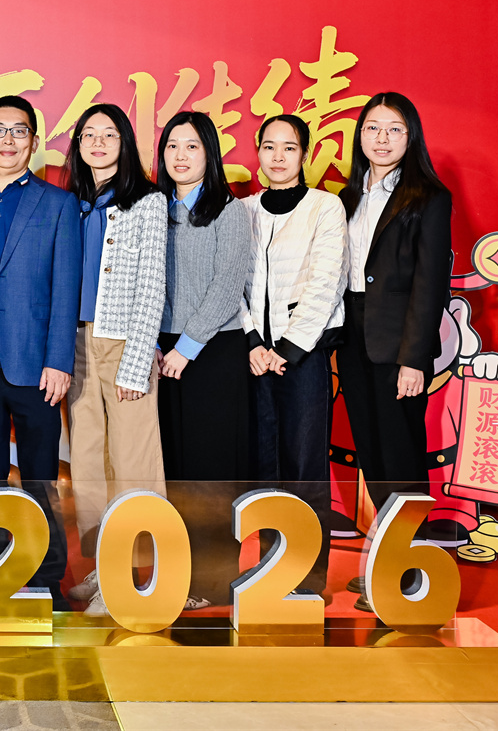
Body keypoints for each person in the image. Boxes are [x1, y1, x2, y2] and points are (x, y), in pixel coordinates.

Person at [0, 96, 81, 610]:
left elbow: (66, 289)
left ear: (34, 141)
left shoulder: (58, 204)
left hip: (37, 364)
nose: (8, 140)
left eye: (19, 131)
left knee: (40, 474)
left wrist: (59, 359)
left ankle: (48, 578)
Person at [337, 92, 451, 610]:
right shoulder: (346, 197)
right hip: (352, 338)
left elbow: (430, 286)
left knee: (401, 457)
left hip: (397, 343)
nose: (381, 139)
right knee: (373, 457)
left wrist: (414, 359)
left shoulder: (428, 197)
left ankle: (410, 576)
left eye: (394, 129)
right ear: (360, 135)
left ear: (411, 136)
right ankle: (388, 564)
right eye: (372, 128)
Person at [62, 103, 167, 616]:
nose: (98, 142)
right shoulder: (73, 203)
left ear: (125, 143)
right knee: (87, 462)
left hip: (125, 343)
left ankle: (135, 575)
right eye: (89, 134)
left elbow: (152, 285)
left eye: (109, 134)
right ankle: (104, 568)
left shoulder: (146, 201)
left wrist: (137, 359)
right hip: (77, 343)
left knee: (132, 462)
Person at [240, 114, 347, 597]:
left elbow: (327, 282)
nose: (278, 156)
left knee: (304, 465)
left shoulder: (325, 207)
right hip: (253, 357)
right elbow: (233, 283)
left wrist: (285, 349)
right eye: (269, 146)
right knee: (263, 465)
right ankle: (270, 569)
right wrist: (252, 342)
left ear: (304, 154)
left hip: (302, 355)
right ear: (258, 152)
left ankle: (308, 578)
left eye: (289, 147)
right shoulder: (243, 210)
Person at [155, 109, 251, 609]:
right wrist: (156, 344)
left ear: (209, 154)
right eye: (172, 145)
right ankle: (177, 574)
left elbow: (227, 286)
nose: (180, 155)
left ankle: (213, 582)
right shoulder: (154, 209)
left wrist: (186, 348)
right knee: (173, 468)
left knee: (210, 472)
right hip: (161, 350)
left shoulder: (227, 210)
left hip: (212, 352)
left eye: (191, 146)